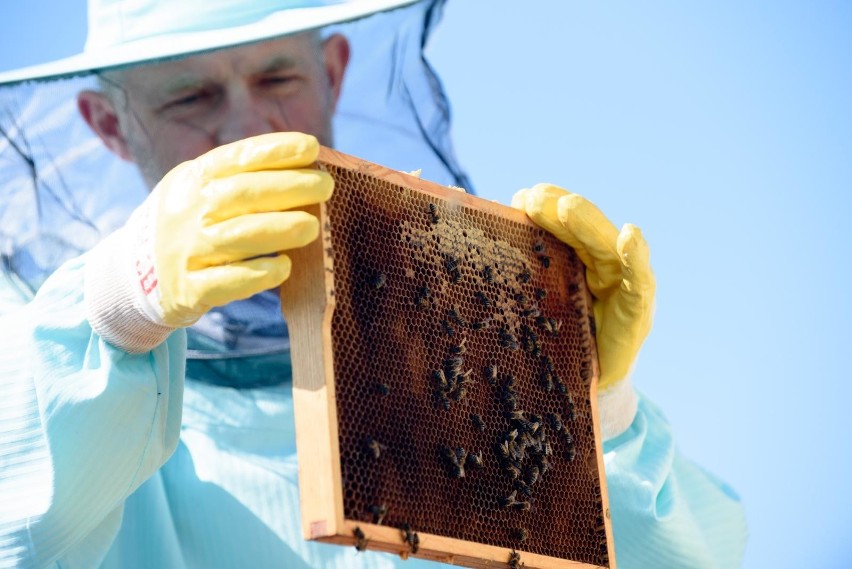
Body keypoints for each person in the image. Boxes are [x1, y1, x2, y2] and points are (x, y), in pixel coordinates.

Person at [0, 1, 747, 567]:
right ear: (107, 123)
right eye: (189, 97)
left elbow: (686, 552)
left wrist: (594, 416)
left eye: (278, 76)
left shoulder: (465, 348)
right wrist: (115, 307)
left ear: (331, 75)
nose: (249, 124)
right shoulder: (39, 348)